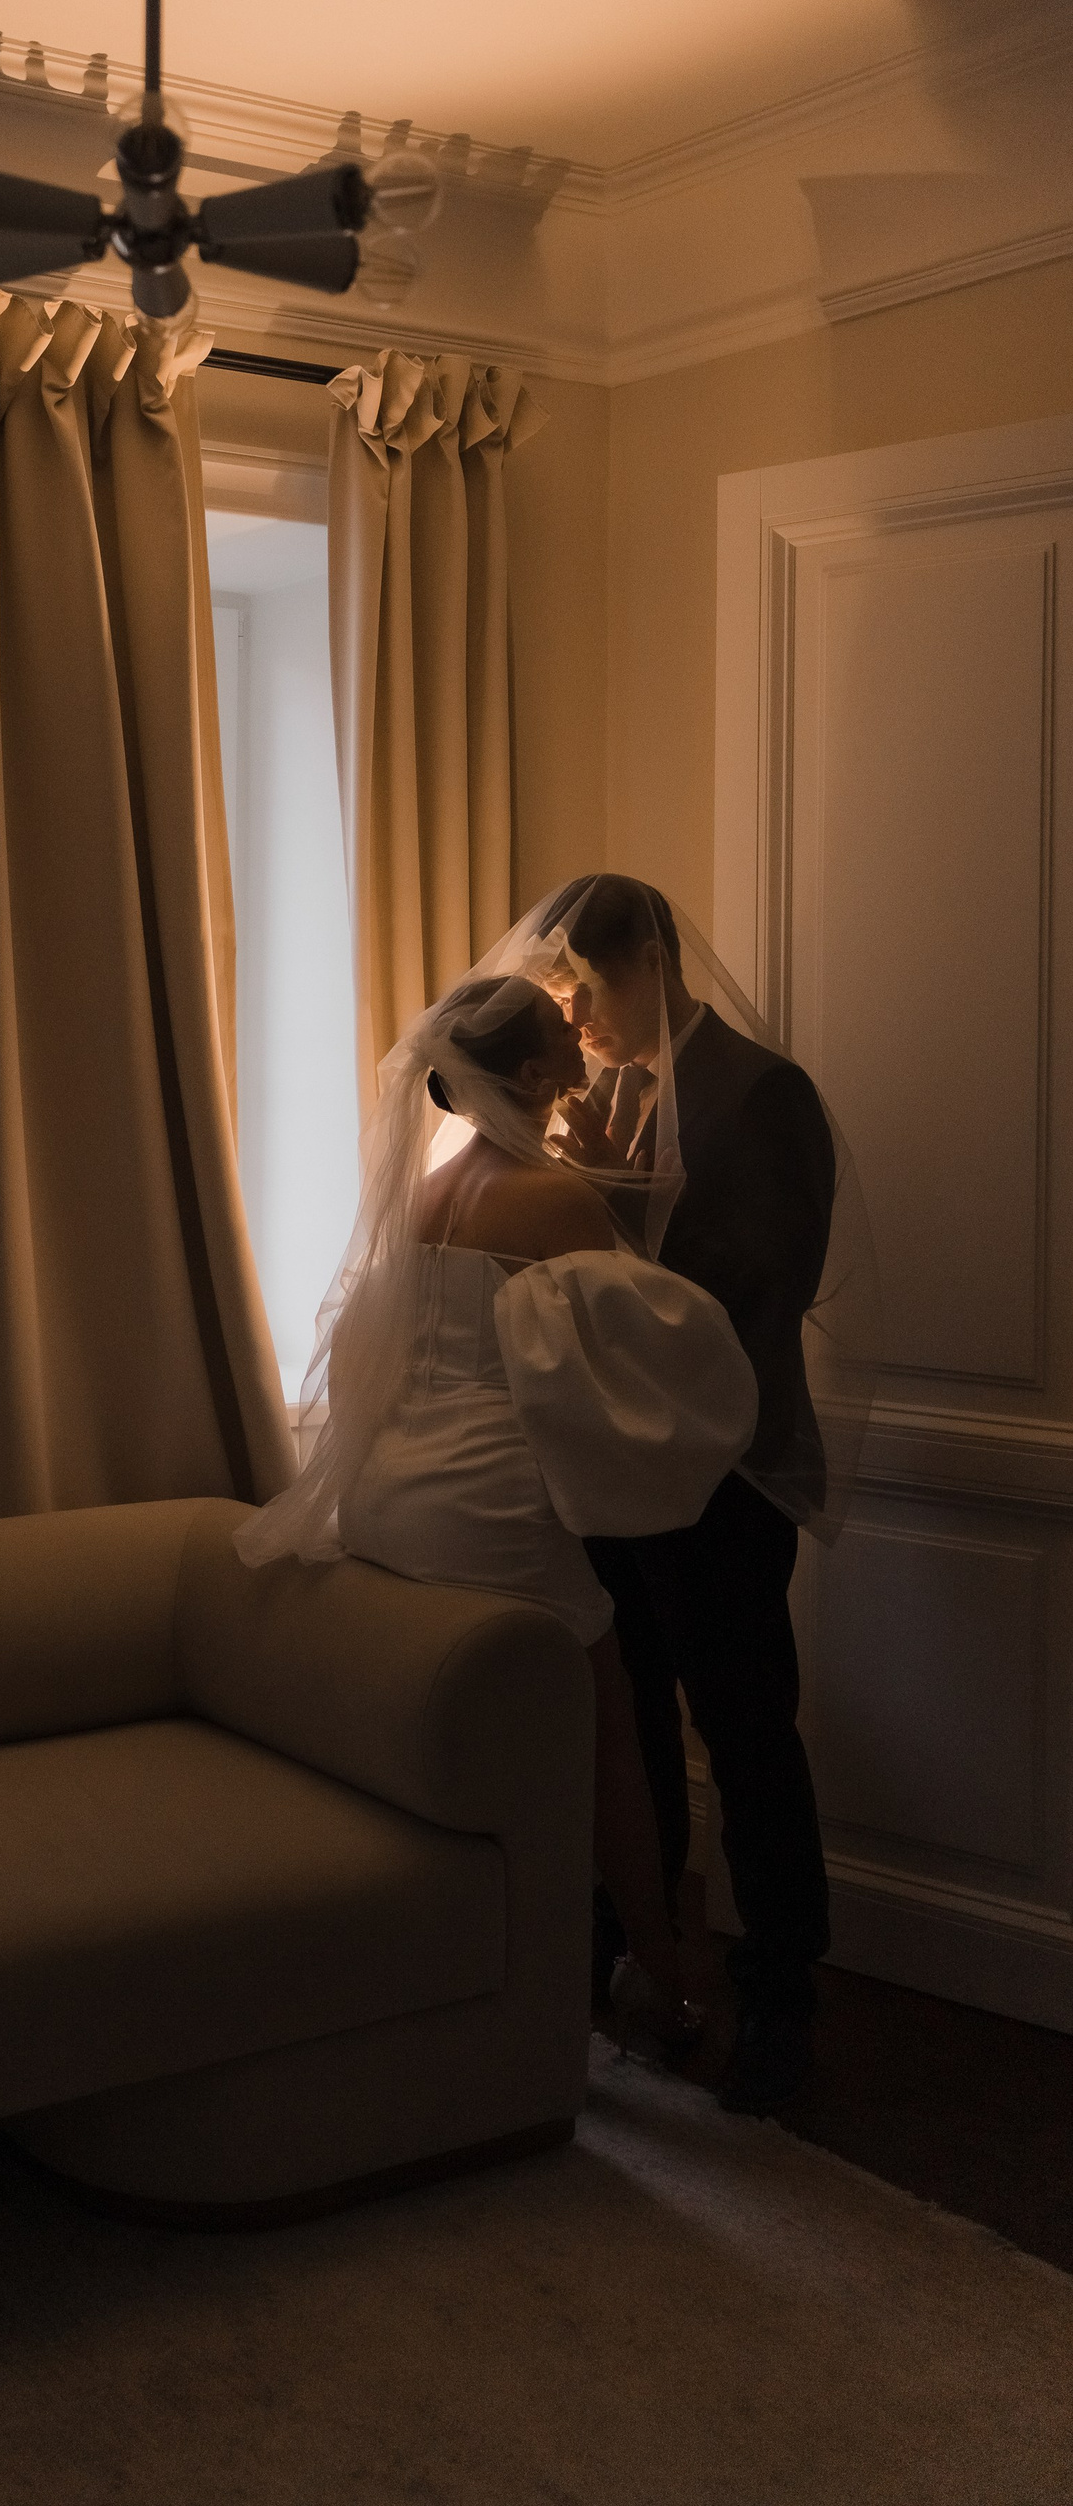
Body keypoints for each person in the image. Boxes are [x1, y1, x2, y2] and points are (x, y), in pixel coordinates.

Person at [238, 967, 760, 2059]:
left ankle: (535, 1955)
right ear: (528, 1074)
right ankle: (660, 1969)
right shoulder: (555, 1199)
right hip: (489, 1502)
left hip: (392, 1493)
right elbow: (650, 1342)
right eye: (559, 1034)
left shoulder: (429, 1188)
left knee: (515, 1723)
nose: (578, 1036)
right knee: (612, 1720)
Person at [538, 873, 842, 2116]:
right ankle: (653, 1951)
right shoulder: (602, 1098)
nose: (574, 1017)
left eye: (587, 988)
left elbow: (764, 1288)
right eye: (562, 995)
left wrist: (615, 1205)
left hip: (727, 1473)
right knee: (635, 1723)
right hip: (618, 1471)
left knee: (748, 1728)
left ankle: (782, 1993)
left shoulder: (764, 1092)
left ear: (654, 961)